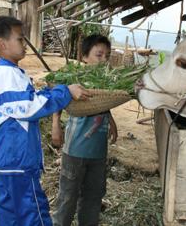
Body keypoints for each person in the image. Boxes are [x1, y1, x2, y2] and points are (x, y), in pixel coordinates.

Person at [0, 16, 91, 226]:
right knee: (35, 216)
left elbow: (23, 103)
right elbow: (29, 107)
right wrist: (64, 92)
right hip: (18, 163)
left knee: (10, 219)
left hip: (8, 165)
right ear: (3, 44)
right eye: (20, 39)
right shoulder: (7, 75)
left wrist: (47, 92)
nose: (25, 44)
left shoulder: (10, 74)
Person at [52, 34, 118, 226]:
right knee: (67, 197)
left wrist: (111, 121)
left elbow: (105, 101)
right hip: (75, 150)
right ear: (84, 57)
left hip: (98, 152)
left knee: (93, 196)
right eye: (99, 55)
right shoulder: (75, 80)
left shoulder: (106, 81)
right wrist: (56, 125)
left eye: (107, 55)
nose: (104, 60)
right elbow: (58, 99)